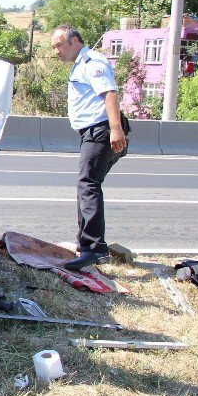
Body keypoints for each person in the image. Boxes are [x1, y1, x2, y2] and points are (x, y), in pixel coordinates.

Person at [50, 24, 129, 270]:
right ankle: (85, 244)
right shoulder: (80, 64)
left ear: (74, 41)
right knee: (87, 186)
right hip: (93, 132)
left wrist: (115, 130)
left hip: (101, 130)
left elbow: (110, 93)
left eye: (59, 45)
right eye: (53, 47)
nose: (56, 52)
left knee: (88, 186)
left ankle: (94, 249)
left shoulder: (93, 62)